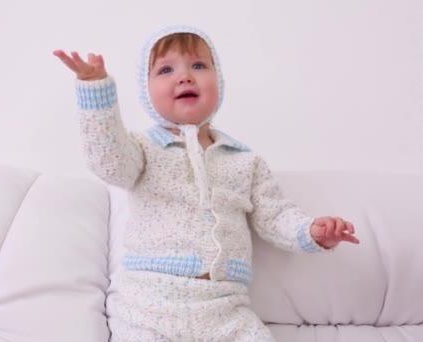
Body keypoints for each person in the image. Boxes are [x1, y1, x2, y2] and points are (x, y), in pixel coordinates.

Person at [54, 25, 359, 342]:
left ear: (220, 82)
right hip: (148, 302)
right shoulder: (143, 149)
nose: (184, 76)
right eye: (166, 69)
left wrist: (312, 231)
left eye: (198, 66)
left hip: (224, 305)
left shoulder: (244, 160)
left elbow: (275, 215)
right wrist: (95, 89)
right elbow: (110, 163)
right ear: (146, 91)